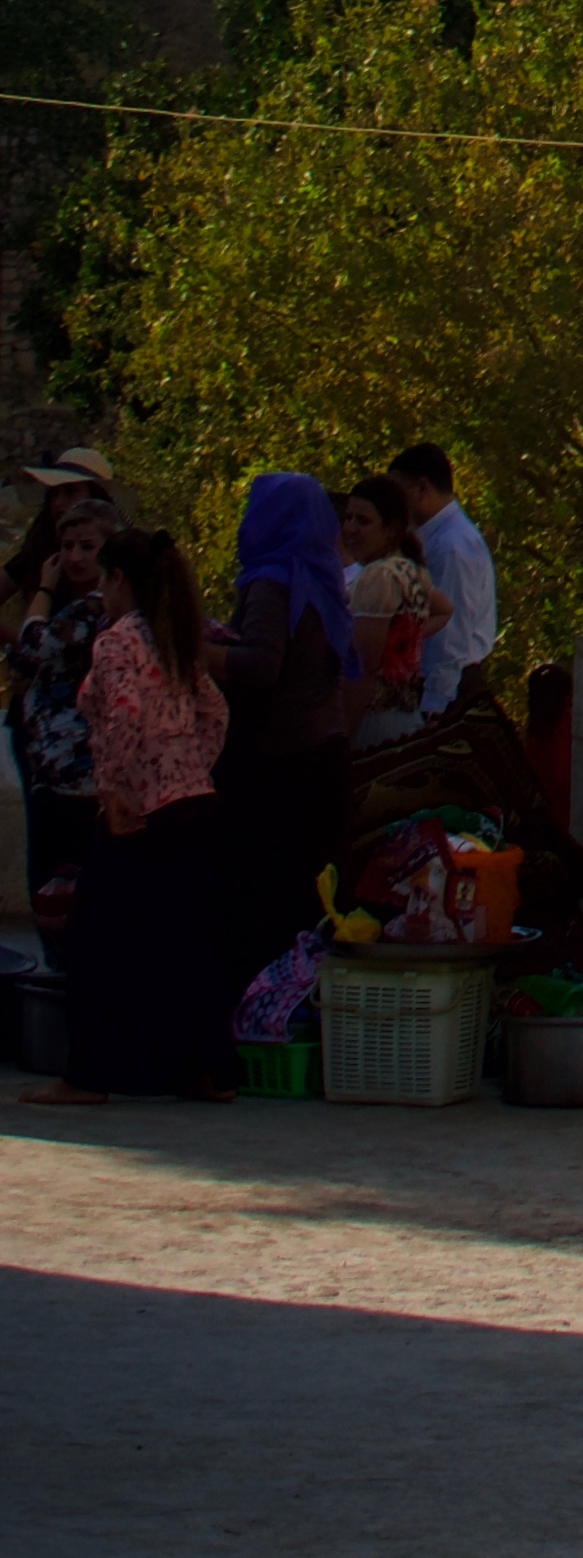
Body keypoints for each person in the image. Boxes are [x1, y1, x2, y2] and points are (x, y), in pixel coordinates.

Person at [63, 524, 237, 1097]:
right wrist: (193, 767)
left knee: (95, 938)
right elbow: (214, 710)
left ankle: (89, 1074)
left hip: (141, 808)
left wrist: (112, 789)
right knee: (188, 939)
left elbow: (123, 712)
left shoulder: (117, 641)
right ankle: (203, 1068)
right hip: (194, 802)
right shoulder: (177, 635)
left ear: (117, 579)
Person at [208, 471, 363, 997]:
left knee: (264, 907)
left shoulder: (273, 579)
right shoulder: (322, 576)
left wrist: (190, 648)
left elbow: (260, 665)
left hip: (280, 769)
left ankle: (260, 1022)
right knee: (311, 909)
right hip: (325, 758)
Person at [7, 463, 123, 939]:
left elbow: (38, 645)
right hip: (51, 767)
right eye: (68, 547)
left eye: (86, 548)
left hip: (79, 771)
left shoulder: (94, 607)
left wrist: (44, 588)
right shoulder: (75, 605)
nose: (74, 556)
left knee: (69, 879)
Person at [390, 443, 497, 716]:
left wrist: (434, 707)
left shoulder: (452, 547)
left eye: (398, 493)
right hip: (439, 685)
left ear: (422, 489)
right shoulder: (435, 539)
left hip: (450, 690)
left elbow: (450, 638)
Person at [338, 483, 442, 744]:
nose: (350, 528)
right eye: (348, 518)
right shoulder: (411, 570)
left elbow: (363, 670)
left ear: (390, 529)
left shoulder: (379, 576)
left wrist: (343, 737)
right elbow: (444, 610)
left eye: (363, 521)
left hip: (373, 721)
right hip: (405, 716)